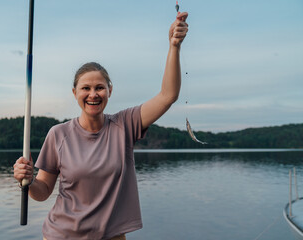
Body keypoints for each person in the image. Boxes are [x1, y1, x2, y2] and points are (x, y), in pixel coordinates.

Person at [13, 11, 188, 240]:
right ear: (75, 93)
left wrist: (174, 46)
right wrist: (28, 180)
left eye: (99, 87)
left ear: (110, 91)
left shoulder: (125, 124)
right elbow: (42, 192)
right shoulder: (58, 134)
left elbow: (168, 95)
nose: (93, 94)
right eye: (86, 88)